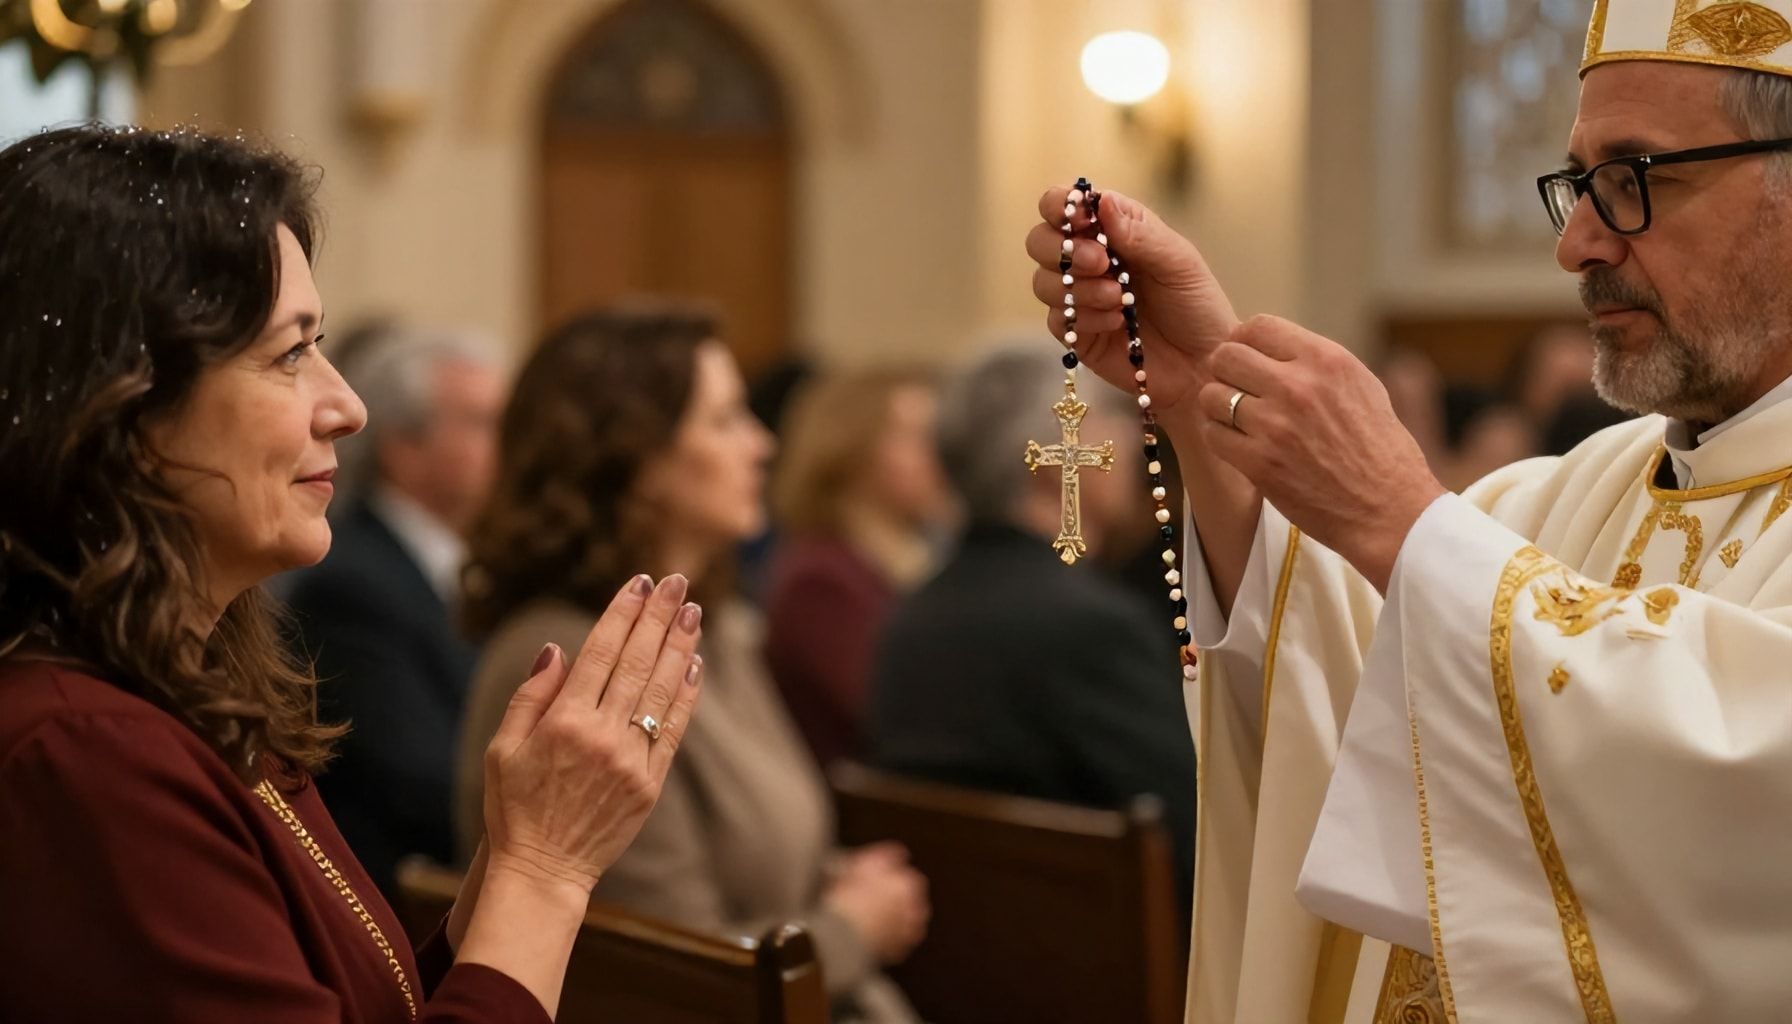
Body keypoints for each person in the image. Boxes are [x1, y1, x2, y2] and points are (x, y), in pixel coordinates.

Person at [1028, 3, 1792, 1019]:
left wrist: (1400, 518)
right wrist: (1208, 402)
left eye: (1633, 179)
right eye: (1578, 184)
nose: (1576, 245)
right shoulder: (1565, 490)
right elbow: (1346, 702)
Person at [0, 124, 704, 1023]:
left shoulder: (184, 691)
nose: (348, 406)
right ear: (124, 404)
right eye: (290, 353)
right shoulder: (83, 756)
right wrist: (544, 871)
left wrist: (510, 856)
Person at [454, 309, 926, 1024]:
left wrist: (835, 881)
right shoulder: (580, 664)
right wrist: (851, 928)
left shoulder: (716, 629)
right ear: (638, 458)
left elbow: (753, 847)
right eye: (726, 420)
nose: (762, 444)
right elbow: (668, 974)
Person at [867, 348, 1197, 909]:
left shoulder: (910, 615)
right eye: (1108, 416)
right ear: (1051, 459)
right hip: (1096, 952)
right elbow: (1191, 846)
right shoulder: (1094, 631)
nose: (1127, 439)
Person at [285, 325, 506, 899]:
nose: (510, 443)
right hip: (400, 904)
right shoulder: (351, 586)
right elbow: (423, 787)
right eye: (483, 422)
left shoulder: (467, 561)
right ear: (404, 447)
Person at [763, 366, 954, 768]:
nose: (939, 455)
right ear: (850, 450)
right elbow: (900, 713)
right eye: (915, 436)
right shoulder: (820, 579)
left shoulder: (912, 556)